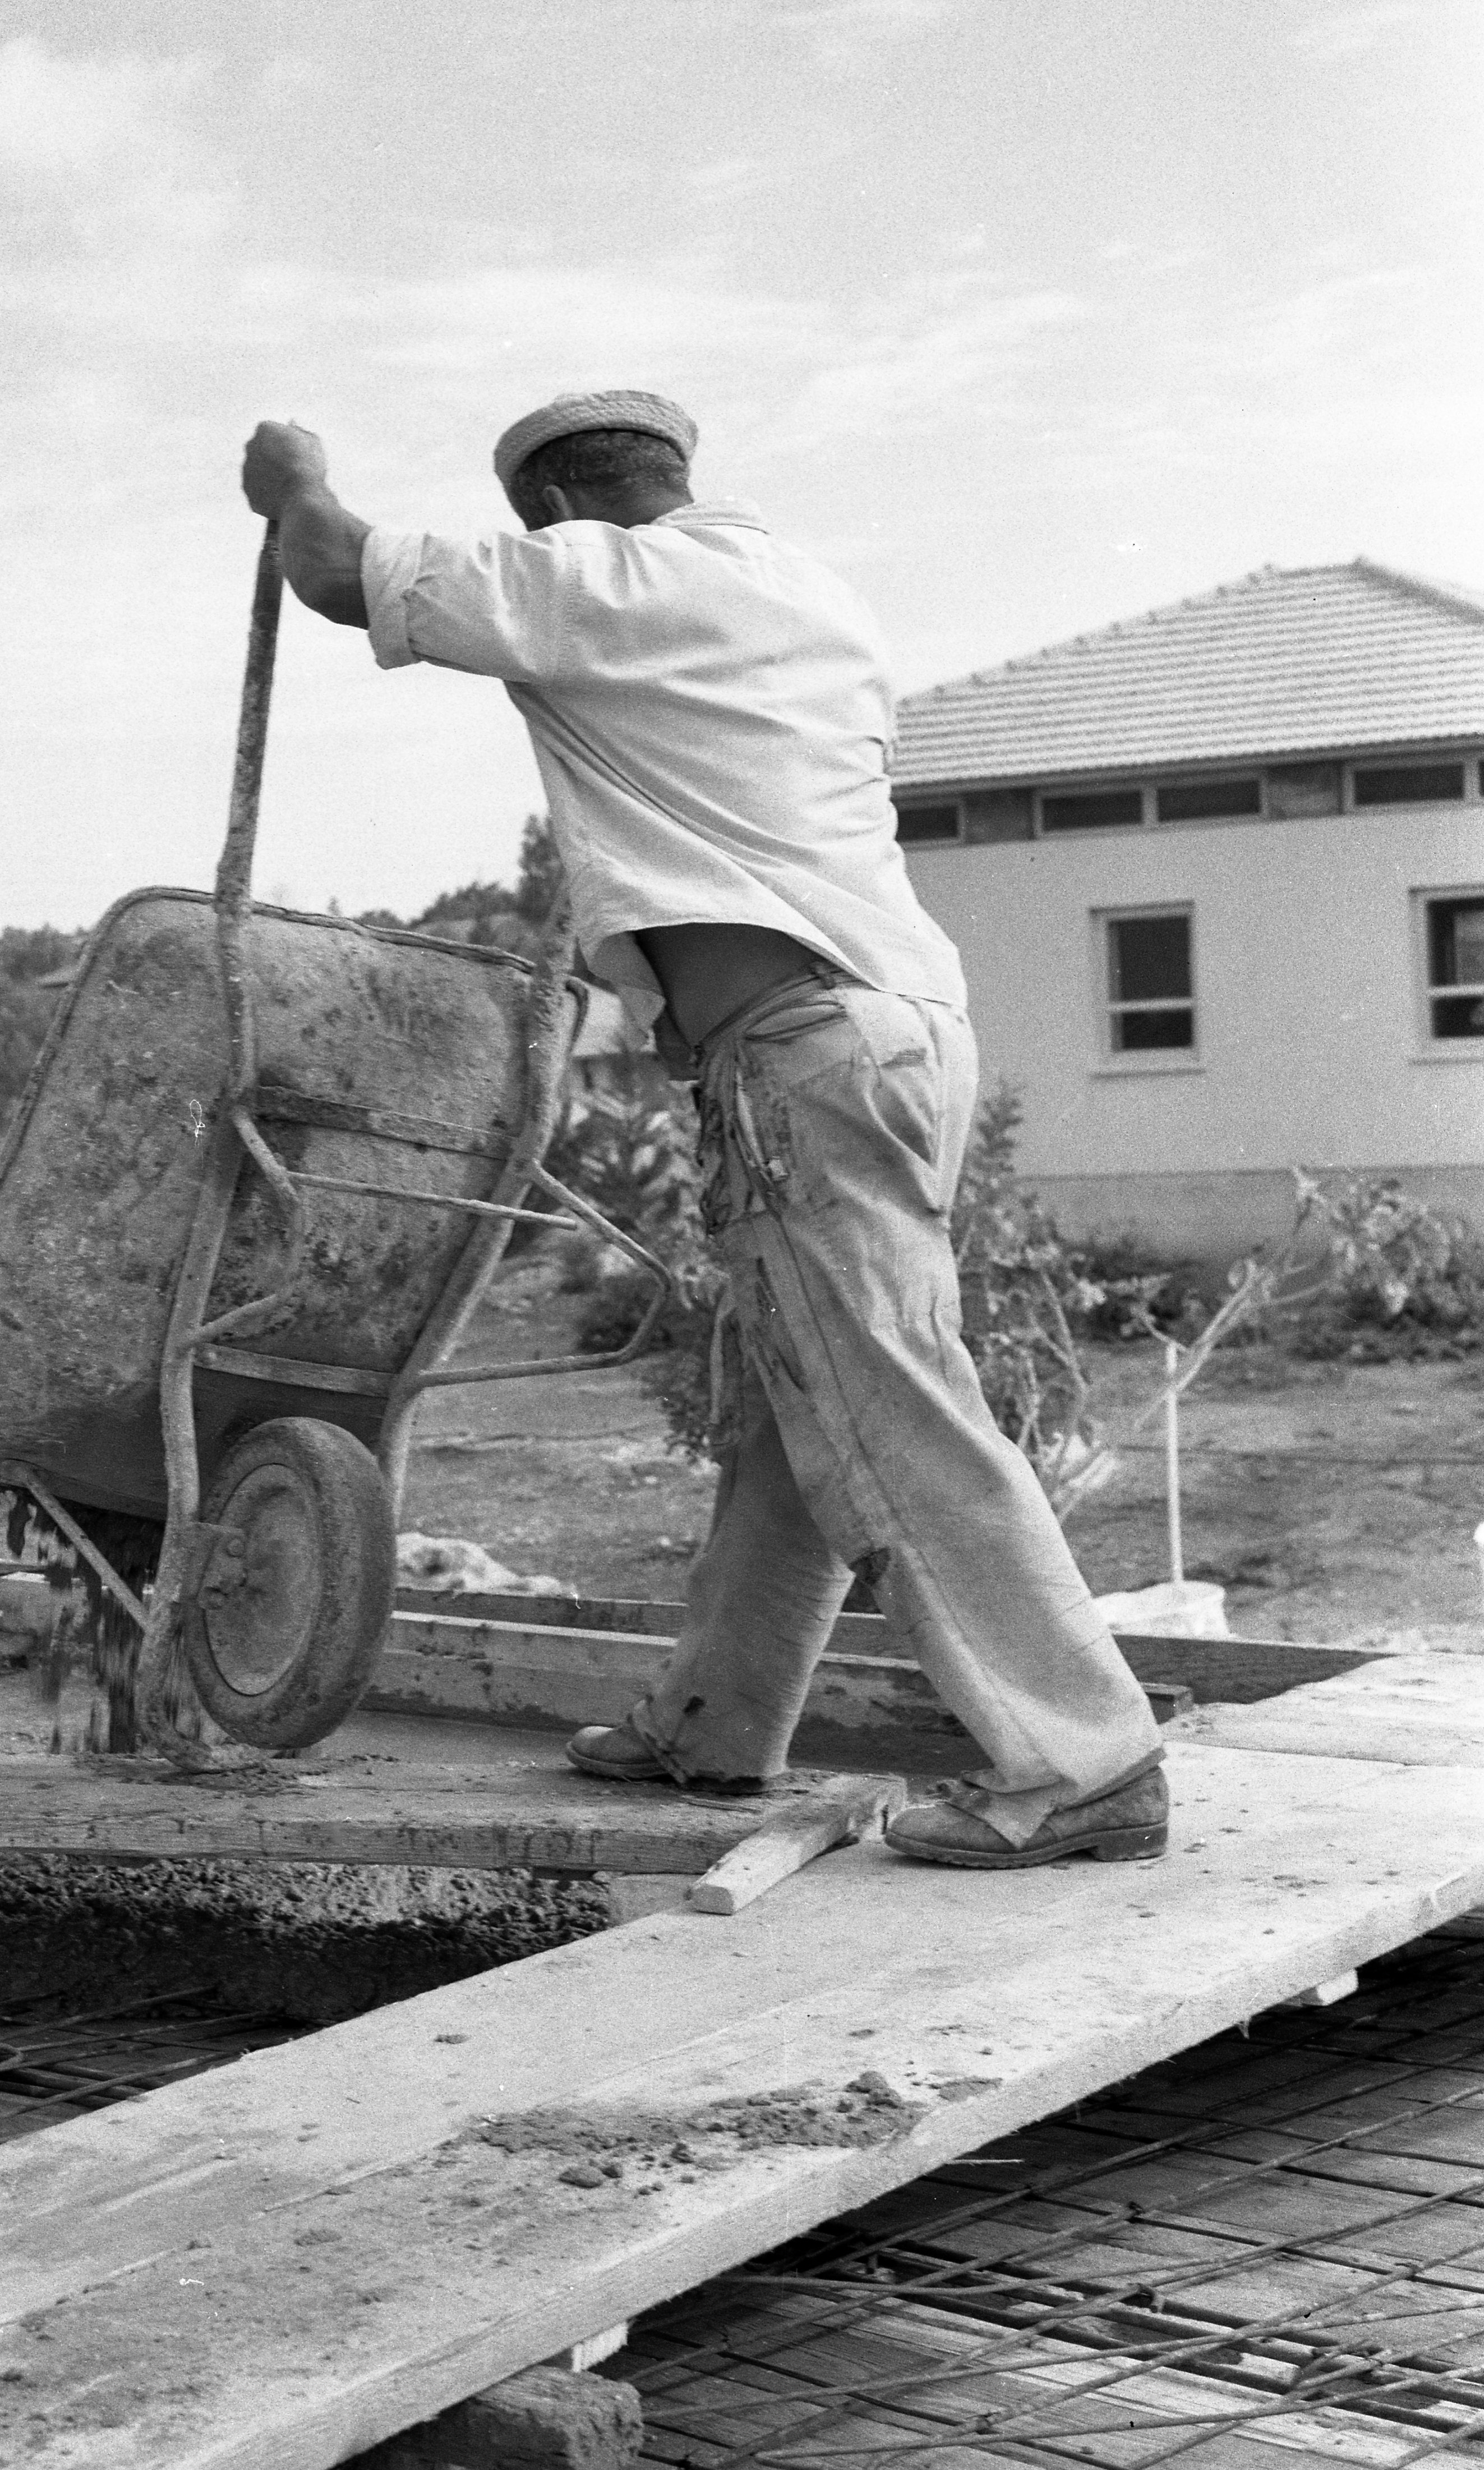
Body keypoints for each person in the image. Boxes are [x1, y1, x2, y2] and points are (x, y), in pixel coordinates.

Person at [238, 392, 1168, 1868]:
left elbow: (343, 564)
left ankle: (1085, 1757)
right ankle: (715, 1726)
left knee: (883, 1404)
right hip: (892, 1034)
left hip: (799, 1052)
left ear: (555, 509)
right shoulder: (806, 597)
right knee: (802, 1398)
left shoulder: (600, 582)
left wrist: (291, 478)